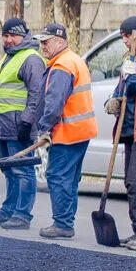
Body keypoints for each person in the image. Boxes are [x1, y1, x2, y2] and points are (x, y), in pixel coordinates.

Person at [34, 22, 98, 239]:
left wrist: (44, 129)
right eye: (41, 41)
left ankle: (62, 224)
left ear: (60, 41)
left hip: (67, 132)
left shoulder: (62, 66)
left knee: (57, 175)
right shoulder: (74, 60)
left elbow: (54, 104)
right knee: (69, 178)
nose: (42, 45)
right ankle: (66, 221)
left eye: (46, 41)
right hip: (81, 131)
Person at [0, 18, 45, 230]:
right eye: (6, 35)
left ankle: (22, 215)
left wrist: (27, 123)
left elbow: (36, 95)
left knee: (23, 170)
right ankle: (8, 210)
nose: (9, 40)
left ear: (24, 35)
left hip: (20, 126)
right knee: (8, 169)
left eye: (13, 35)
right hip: (4, 125)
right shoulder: (9, 57)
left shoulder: (31, 59)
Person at [105, 16, 136, 250]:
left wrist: (134, 81)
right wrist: (112, 100)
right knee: (131, 183)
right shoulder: (130, 60)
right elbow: (121, 88)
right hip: (130, 130)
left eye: (125, 35)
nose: (123, 40)